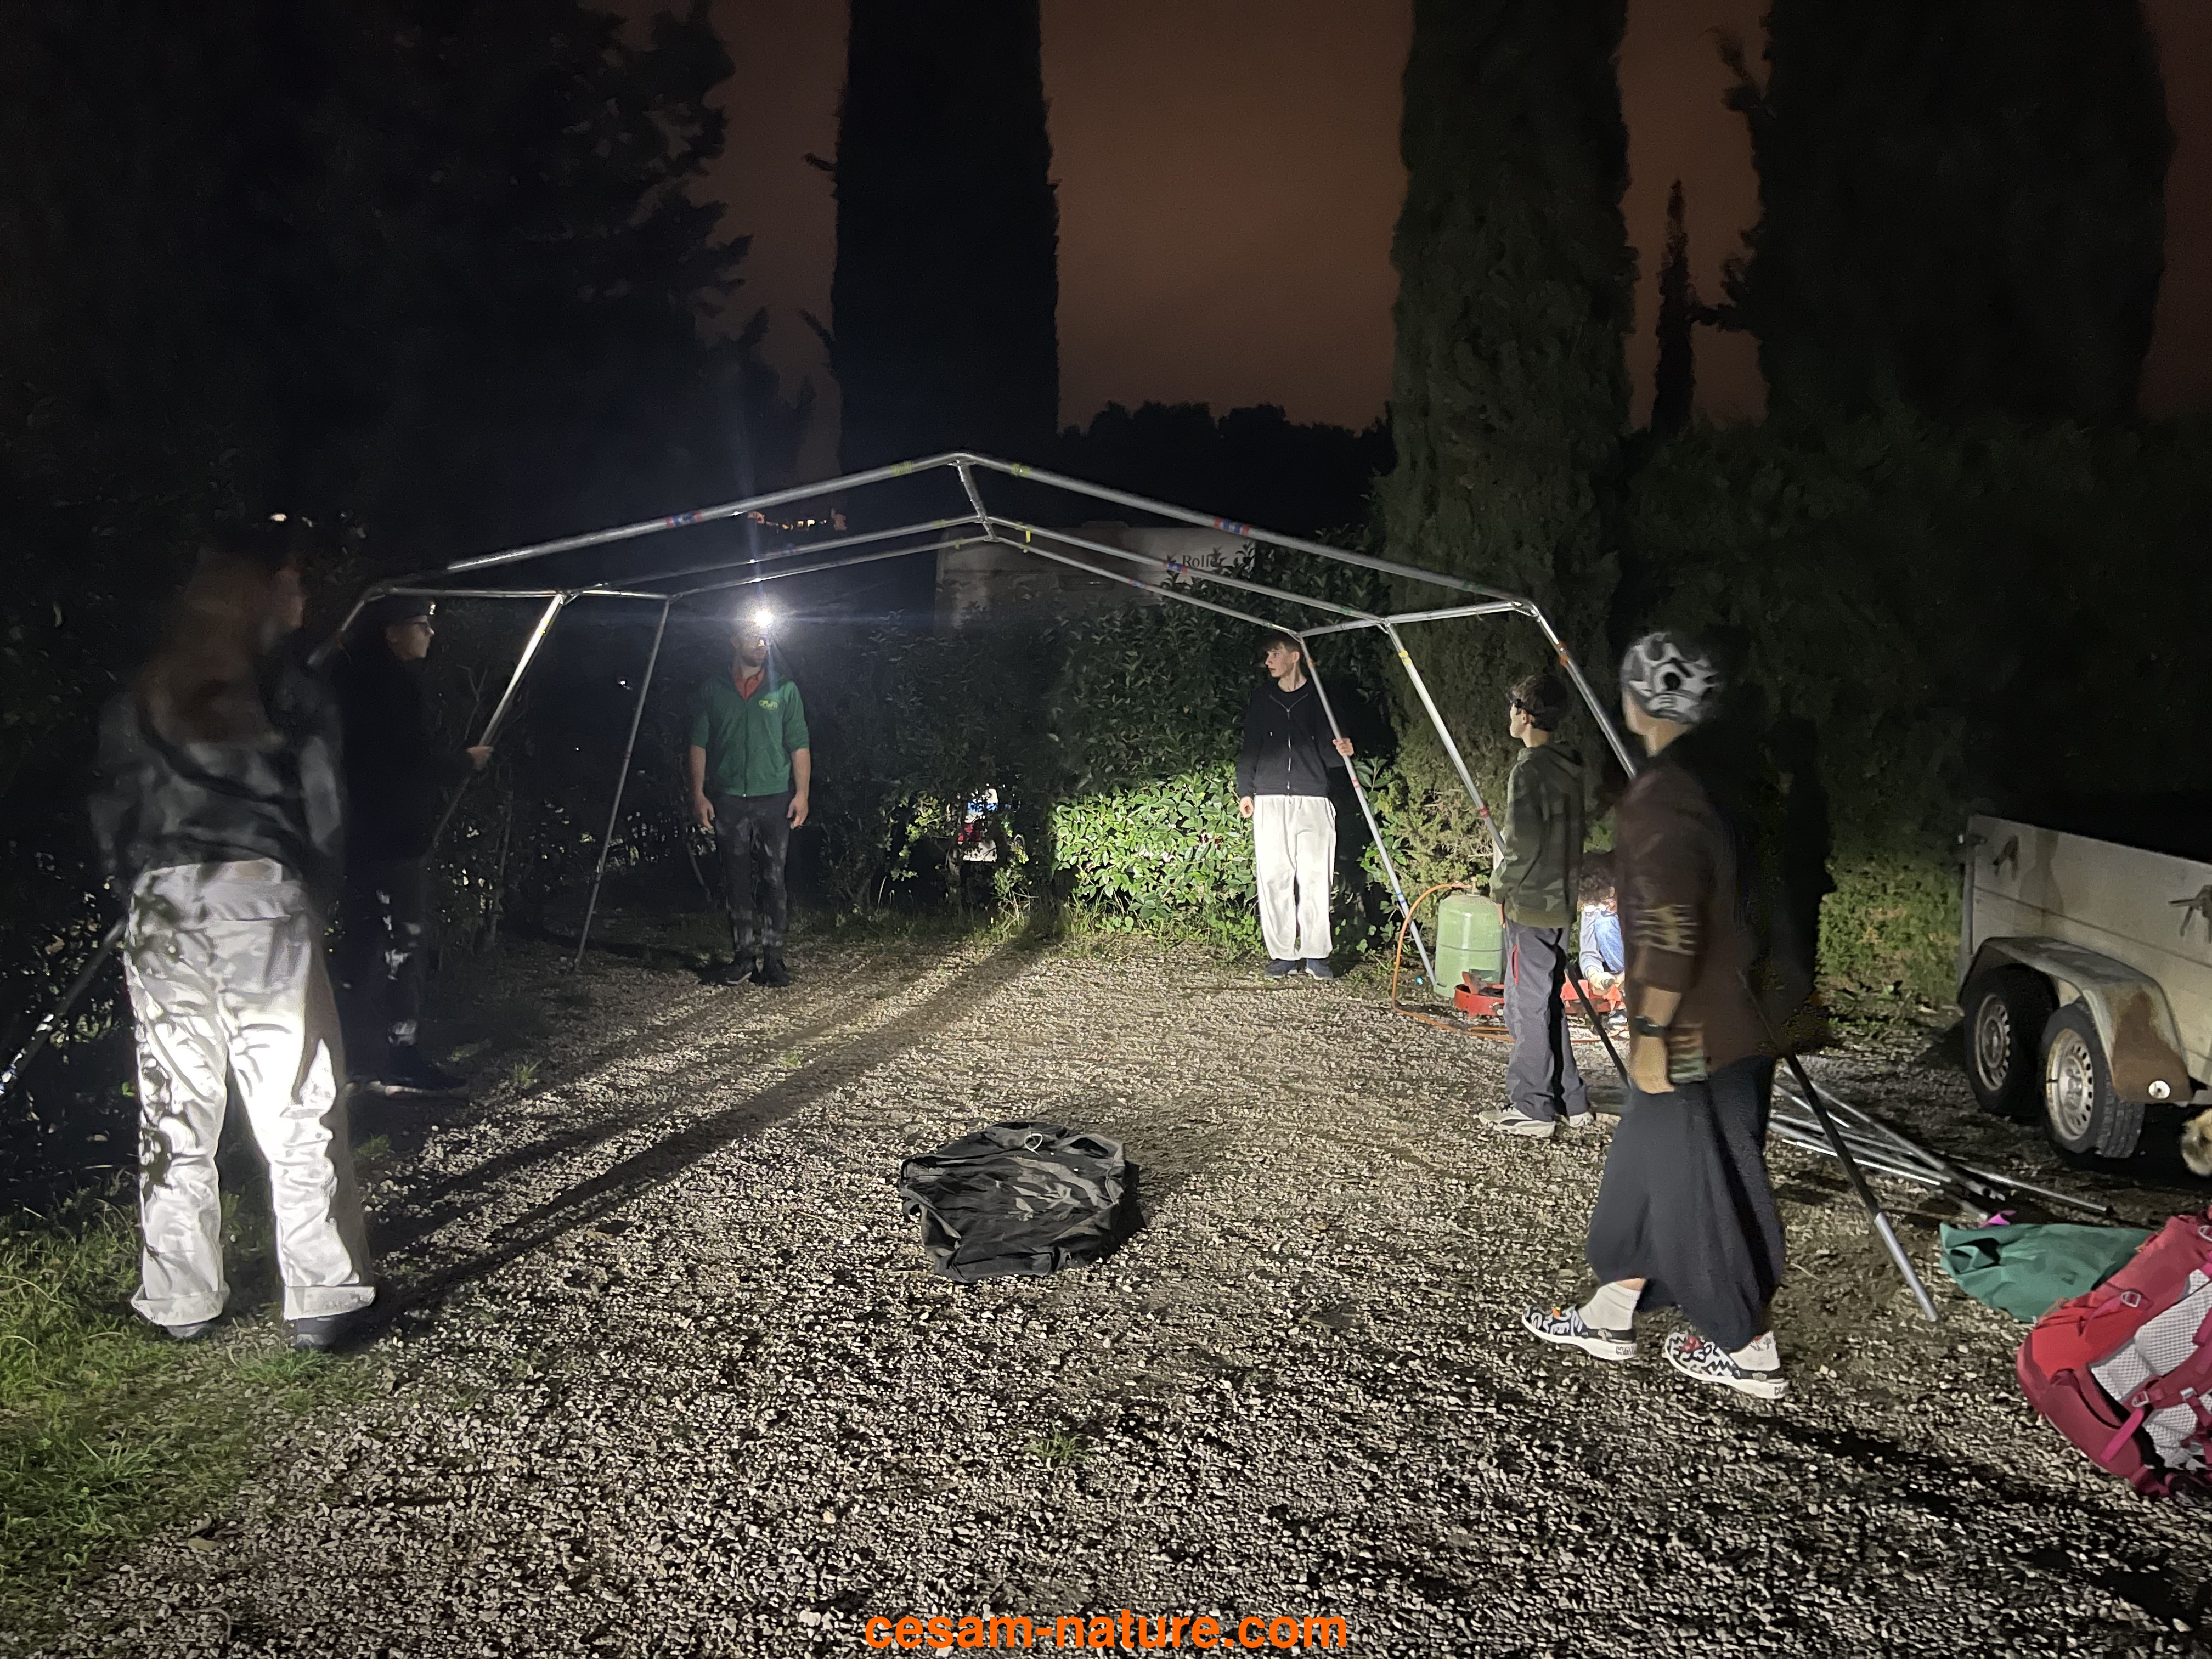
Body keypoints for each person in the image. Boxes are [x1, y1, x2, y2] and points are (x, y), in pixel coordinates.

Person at [88, 523, 375, 1350]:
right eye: (292, 583)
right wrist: (313, 896)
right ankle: (323, 1293)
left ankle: (181, 1297)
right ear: (260, 596)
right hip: (258, 896)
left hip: (161, 908)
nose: (304, 597)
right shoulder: (289, 688)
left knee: (174, 1104)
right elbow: (326, 808)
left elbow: (112, 811)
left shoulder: (143, 691)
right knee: (294, 1097)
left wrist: (136, 895)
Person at [1521, 630, 1790, 1400]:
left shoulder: (1666, 791)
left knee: (1701, 1184)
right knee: (1645, 1167)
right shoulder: (1736, 784)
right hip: (1747, 1016)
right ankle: (1612, 1310)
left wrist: (1651, 1030)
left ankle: (1748, 1346)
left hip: (1693, 1031)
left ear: (1638, 702)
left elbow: (1673, 921)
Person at [330, 595, 490, 1093]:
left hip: (357, 837)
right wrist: (463, 763)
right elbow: (404, 765)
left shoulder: (347, 682)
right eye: (421, 625)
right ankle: (400, 1055)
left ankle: (355, 1057)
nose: (430, 634)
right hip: (390, 838)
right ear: (392, 632)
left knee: (364, 946)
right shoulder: (389, 688)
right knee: (403, 942)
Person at [1481, 672, 1590, 1138]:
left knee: (1524, 1005)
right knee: (1547, 1001)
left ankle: (1532, 1106)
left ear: (1524, 716)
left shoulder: (1529, 770)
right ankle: (1570, 1100)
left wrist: (1499, 888)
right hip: (1561, 901)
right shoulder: (1570, 767)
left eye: (1513, 709)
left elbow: (1522, 845)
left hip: (1530, 905)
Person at [689, 611, 810, 986]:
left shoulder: (783, 689)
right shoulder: (712, 690)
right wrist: (698, 794)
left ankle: (774, 960)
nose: (760, 645)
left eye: (764, 639)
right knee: (736, 881)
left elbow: (799, 745)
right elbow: (698, 744)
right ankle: (743, 959)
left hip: (774, 798)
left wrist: (802, 794)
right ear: (735, 643)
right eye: (752, 638)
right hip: (728, 799)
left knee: (774, 879)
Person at [1235, 630, 1355, 979]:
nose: (1268, 661)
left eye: (1274, 654)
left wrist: (1345, 750)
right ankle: (1283, 954)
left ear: (1294, 656)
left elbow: (1330, 754)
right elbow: (1251, 745)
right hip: (1269, 797)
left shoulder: (1320, 698)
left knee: (1316, 877)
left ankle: (1316, 954)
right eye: (1268, 656)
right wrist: (1246, 790)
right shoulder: (1263, 698)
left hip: (1312, 796)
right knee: (1274, 877)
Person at [1576, 850, 1624, 989]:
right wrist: (1594, 975)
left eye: (1608, 899)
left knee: (1606, 924)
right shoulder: (1591, 903)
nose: (1606, 908)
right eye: (1597, 905)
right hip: (1623, 970)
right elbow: (1589, 953)